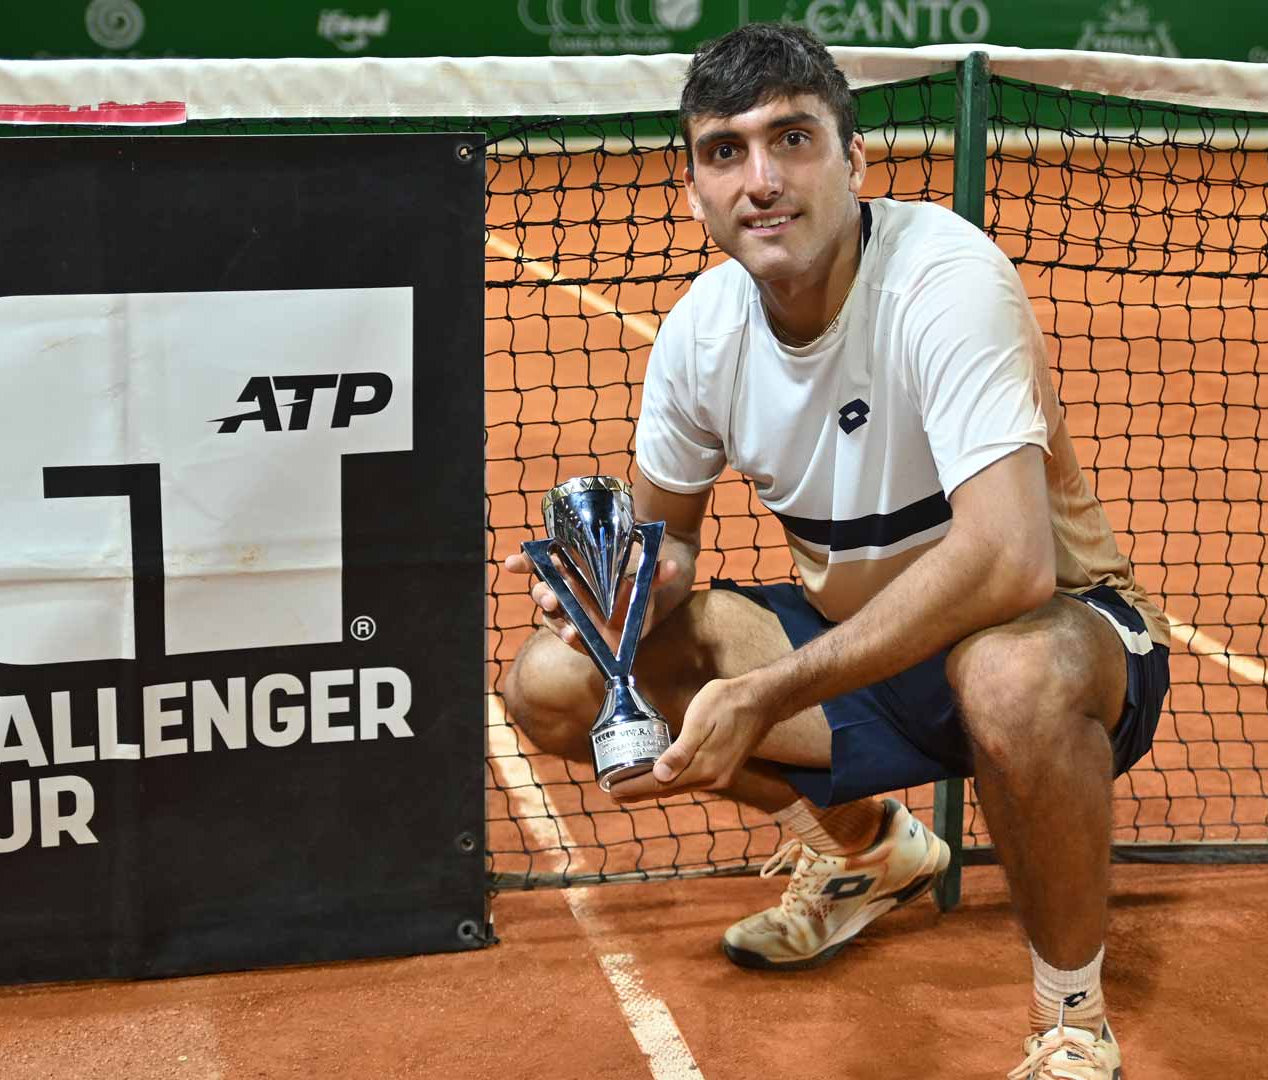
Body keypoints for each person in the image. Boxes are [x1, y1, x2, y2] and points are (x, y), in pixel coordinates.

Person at [500, 23, 1169, 1080]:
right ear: (694, 189)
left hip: (1058, 635)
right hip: (862, 653)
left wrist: (767, 693)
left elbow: (1010, 563)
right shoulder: (700, 334)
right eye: (725, 152)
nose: (760, 181)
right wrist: (613, 596)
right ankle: (866, 850)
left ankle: (1072, 1020)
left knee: (1008, 675)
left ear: (855, 159)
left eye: (792, 139)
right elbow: (671, 546)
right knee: (551, 683)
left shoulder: (943, 278)